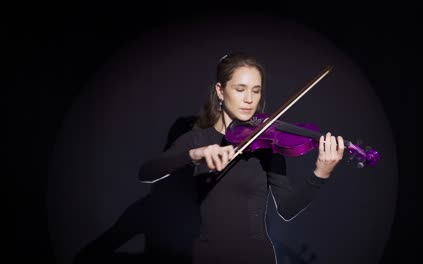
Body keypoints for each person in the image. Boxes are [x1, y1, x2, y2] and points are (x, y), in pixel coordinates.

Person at [138, 52, 345, 264]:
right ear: (220, 91)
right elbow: (146, 172)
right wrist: (195, 154)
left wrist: (320, 174)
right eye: (240, 89)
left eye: (256, 91)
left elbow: (287, 210)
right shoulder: (197, 139)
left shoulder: (267, 143)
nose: (249, 99)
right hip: (208, 256)